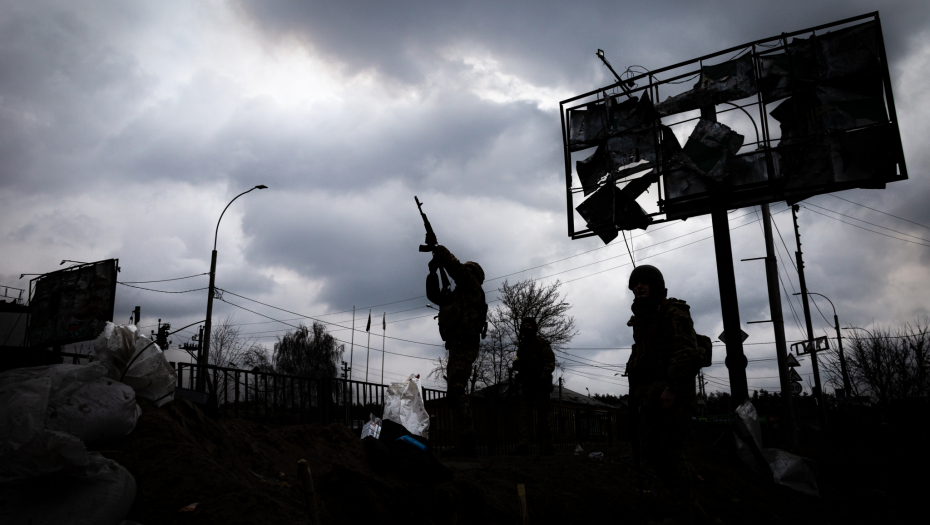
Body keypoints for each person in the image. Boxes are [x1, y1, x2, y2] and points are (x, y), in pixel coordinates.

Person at [625, 265, 706, 523]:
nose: (639, 286)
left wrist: (672, 387)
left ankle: (685, 514)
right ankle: (694, 509)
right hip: (650, 396)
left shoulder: (673, 312)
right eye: (636, 283)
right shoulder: (643, 319)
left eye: (645, 283)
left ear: (656, 286)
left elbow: (686, 351)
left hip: (675, 394)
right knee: (649, 450)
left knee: (669, 451)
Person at [426, 244, 488, 457]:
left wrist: (440, 249)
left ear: (474, 277)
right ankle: (467, 443)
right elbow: (435, 296)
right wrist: (433, 272)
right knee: (454, 394)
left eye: (468, 271)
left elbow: (456, 269)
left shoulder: (473, 289)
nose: (464, 273)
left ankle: (468, 444)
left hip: (465, 344)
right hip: (456, 345)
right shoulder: (458, 295)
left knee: (455, 392)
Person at [511, 317, 555, 456]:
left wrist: (542, 378)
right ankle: (523, 446)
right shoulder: (522, 346)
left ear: (534, 328)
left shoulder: (542, 344)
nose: (526, 328)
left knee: (543, 417)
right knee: (523, 417)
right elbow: (517, 361)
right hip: (527, 385)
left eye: (529, 325)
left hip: (540, 386)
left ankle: (547, 447)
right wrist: (517, 367)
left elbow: (549, 363)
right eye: (524, 325)